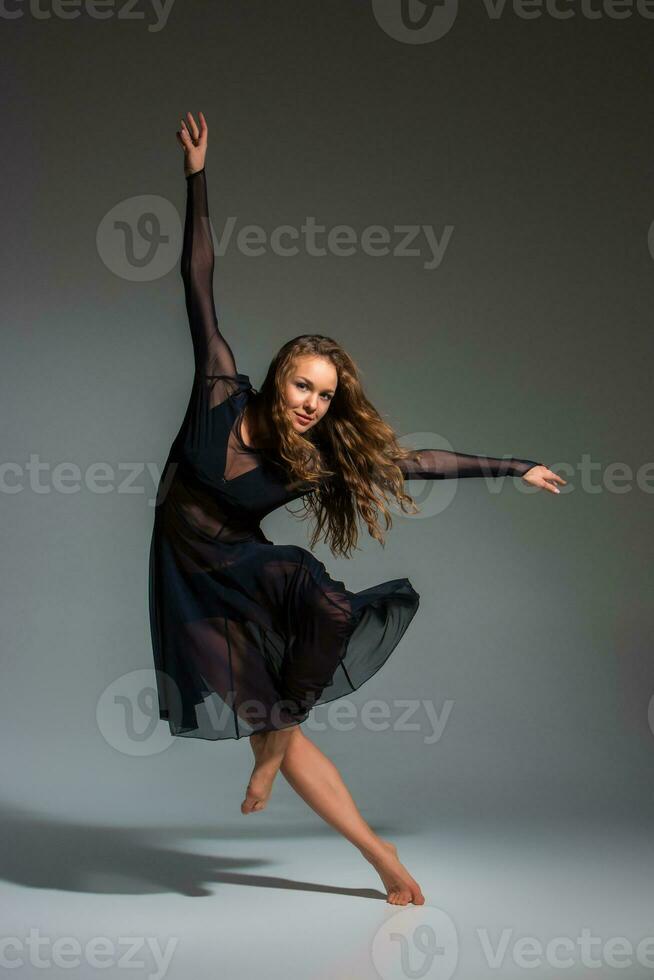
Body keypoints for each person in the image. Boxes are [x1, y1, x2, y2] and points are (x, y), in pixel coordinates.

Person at [148, 111, 565, 907]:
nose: (312, 403)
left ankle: (350, 830)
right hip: (185, 577)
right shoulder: (216, 388)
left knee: (331, 603)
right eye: (304, 385)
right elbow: (197, 279)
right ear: (277, 377)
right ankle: (363, 837)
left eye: (326, 395)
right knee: (282, 726)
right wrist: (197, 175)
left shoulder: (312, 458)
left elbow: (420, 462)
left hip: (241, 565)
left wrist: (518, 467)